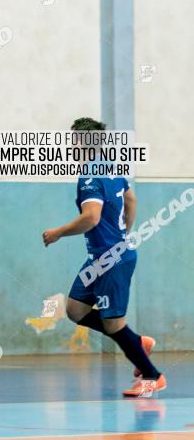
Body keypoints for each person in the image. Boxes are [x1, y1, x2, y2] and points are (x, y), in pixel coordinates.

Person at [42, 117, 163, 397]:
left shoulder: (90, 176)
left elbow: (91, 218)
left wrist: (58, 232)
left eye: (73, 141)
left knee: (113, 324)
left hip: (111, 261)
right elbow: (131, 200)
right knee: (75, 309)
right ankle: (136, 341)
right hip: (100, 257)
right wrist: (123, 232)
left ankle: (152, 375)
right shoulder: (111, 168)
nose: (71, 146)